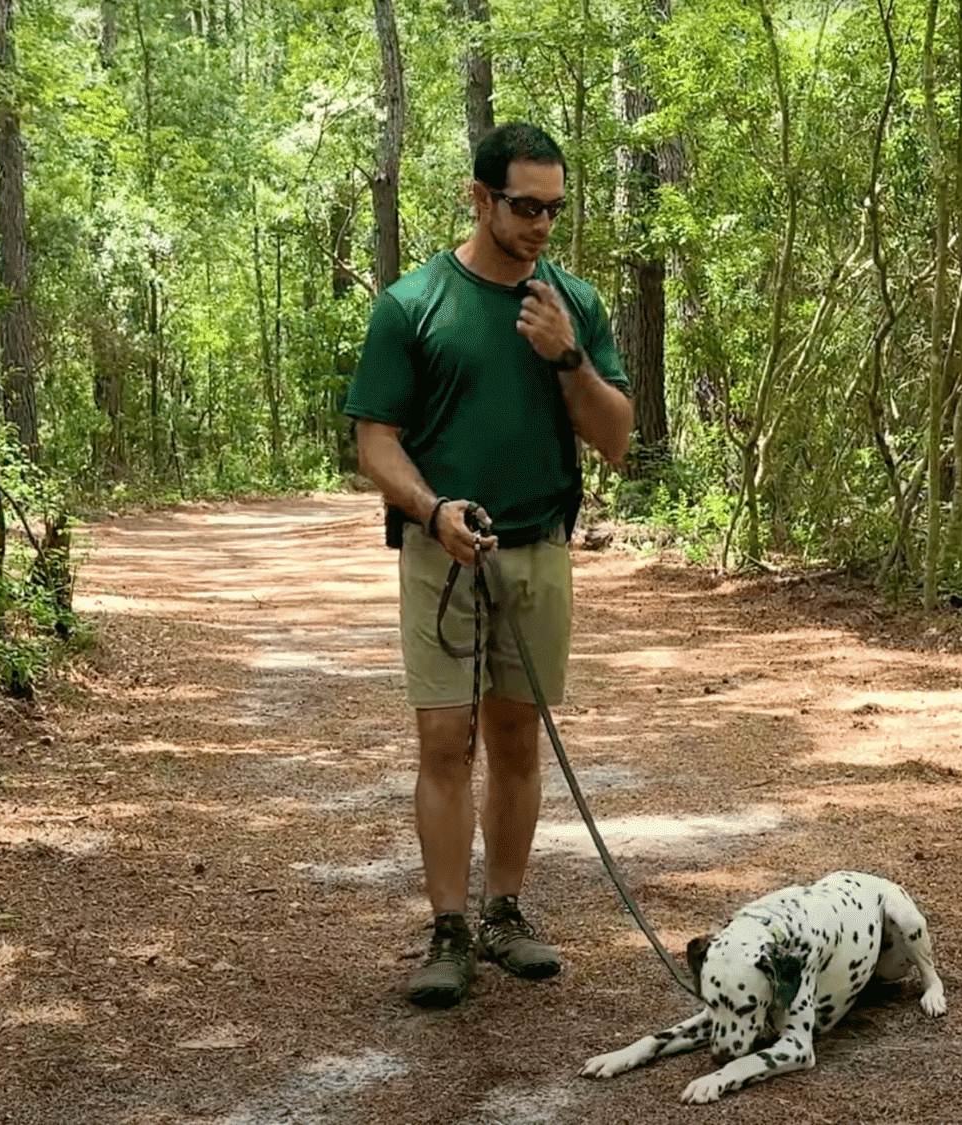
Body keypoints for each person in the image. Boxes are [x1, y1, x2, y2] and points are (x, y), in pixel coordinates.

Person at [344, 122, 633, 1008]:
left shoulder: (574, 305)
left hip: (539, 549)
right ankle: (448, 929)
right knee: (444, 738)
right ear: (480, 198)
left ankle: (506, 911)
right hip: (441, 551)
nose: (542, 223)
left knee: (515, 734)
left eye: (554, 208)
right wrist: (432, 508)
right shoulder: (413, 304)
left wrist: (567, 357)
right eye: (525, 206)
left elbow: (617, 438)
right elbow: (374, 444)